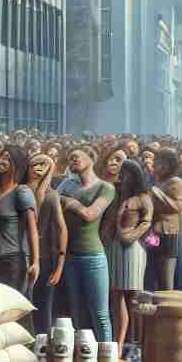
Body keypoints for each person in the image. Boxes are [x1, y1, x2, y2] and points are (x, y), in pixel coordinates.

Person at [58, 147, 115, 345]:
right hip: (70, 256)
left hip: (93, 256)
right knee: (76, 311)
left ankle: (108, 356)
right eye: (70, 157)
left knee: (99, 313)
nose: (73, 160)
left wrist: (68, 202)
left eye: (77, 157)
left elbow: (90, 214)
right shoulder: (67, 184)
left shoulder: (105, 187)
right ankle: (84, 358)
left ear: (92, 158)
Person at [109, 159, 154, 347]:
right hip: (117, 248)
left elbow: (147, 221)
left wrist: (132, 235)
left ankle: (140, 340)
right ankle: (120, 342)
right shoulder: (118, 195)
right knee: (117, 293)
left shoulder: (143, 198)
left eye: (125, 174)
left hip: (133, 249)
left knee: (135, 295)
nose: (122, 177)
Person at [0, 145, 36, 292]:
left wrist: (35, 262)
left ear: (17, 164)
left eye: (8, 158)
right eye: (2, 156)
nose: (2, 160)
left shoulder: (21, 191)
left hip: (12, 261)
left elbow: (32, 229)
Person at [29, 154, 67, 331]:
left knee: (43, 307)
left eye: (43, 164)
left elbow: (61, 228)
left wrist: (59, 266)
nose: (38, 167)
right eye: (35, 163)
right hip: (21, 255)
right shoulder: (21, 190)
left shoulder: (51, 195)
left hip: (44, 258)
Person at [146, 149, 182, 292]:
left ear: (169, 165)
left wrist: (159, 195)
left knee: (166, 279)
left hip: (168, 234)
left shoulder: (175, 181)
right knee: (151, 273)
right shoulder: (157, 181)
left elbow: (179, 206)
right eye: (156, 161)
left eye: (160, 162)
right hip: (154, 233)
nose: (156, 165)